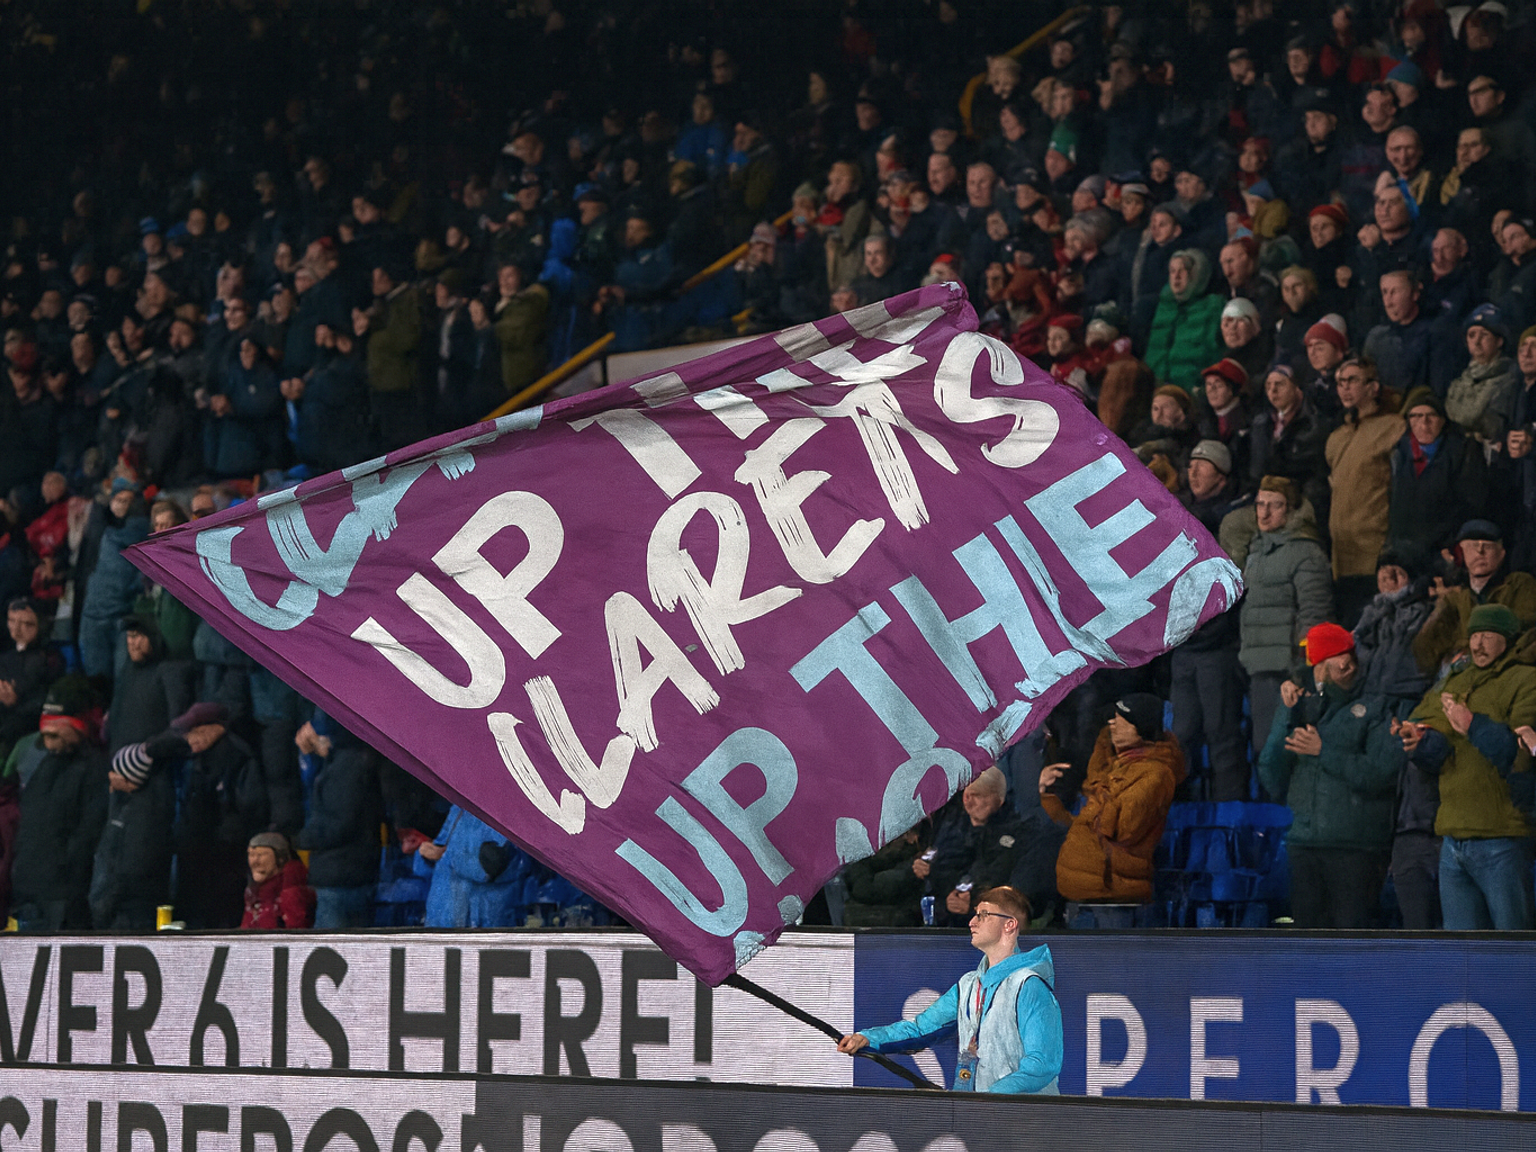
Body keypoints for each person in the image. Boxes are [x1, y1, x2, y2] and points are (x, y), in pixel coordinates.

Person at [836, 885, 1062, 1094]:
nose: (972, 922)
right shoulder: (969, 985)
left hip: (1025, 1123)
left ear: (1009, 924)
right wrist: (867, 1038)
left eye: (983, 915)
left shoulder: (1029, 986)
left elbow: (1042, 1064)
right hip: (978, 1119)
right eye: (975, 914)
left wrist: (991, 1098)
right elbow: (921, 1029)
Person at [1400, 605, 1536, 930]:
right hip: (1453, 838)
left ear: (1506, 639)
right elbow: (1424, 720)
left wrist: (1472, 724)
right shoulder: (1456, 679)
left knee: (1511, 948)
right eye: (1475, 635)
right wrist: (1417, 740)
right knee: (1460, 956)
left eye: (1488, 635)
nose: (1478, 644)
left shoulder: (1526, 680)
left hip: (1501, 837)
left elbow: (1523, 757)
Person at [1257, 623, 1401, 928]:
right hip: (1304, 844)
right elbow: (1271, 772)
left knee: (1352, 943)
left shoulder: (1377, 705)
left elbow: (1380, 774)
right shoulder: (1300, 704)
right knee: (1308, 945)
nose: (1345, 664)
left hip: (1356, 847)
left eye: (1346, 657)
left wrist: (1324, 751)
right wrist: (1286, 712)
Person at [1041, 693, 1185, 920]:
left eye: (1121, 718)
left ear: (1141, 727)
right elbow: (1079, 826)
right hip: (1081, 897)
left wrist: (1102, 795)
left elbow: (1122, 830)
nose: (1112, 722)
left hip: (1115, 899)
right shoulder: (1112, 769)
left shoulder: (1157, 773)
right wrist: (1045, 797)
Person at [1239, 475, 1335, 762]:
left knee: (1282, 751)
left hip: (1288, 670)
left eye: (1275, 505)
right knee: (1265, 750)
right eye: (1260, 504)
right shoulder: (1257, 550)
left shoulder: (1306, 553)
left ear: (1292, 510)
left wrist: (1303, 669)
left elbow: (1315, 615)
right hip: (1260, 667)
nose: (1265, 513)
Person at [241, 831, 315, 929]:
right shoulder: (253, 893)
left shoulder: (291, 892)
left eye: (261, 854)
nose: (255, 861)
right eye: (251, 854)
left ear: (280, 858)